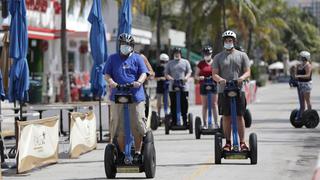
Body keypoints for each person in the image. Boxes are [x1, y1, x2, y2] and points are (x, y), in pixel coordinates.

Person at [104, 33, 148, 163]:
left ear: (132, 46)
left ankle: (138, 153)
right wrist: (111, 81)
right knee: (119, 127)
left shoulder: (137, 58)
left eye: (127, 45)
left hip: (136, 96)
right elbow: (107, 74)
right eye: (123, 44)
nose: (125, 47)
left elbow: (144, 73)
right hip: (117, 96)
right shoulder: (112, 58)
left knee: (137, 124)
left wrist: (139, 82)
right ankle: (122, 153)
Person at [212, 30, 251, 152]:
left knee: (239, 116)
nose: (228, 42)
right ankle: (228, 143)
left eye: (230, 40)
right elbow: (214, 74)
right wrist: (221, 79)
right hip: (224, 90)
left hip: (239, 89)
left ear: (234, 41)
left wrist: (242, 78)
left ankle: (242, 142)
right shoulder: (218, 57)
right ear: (223, 42)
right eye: (226, 40)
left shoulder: (242, 55)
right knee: (226, 116)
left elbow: (248, 71)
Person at [165, 47, 192, 126]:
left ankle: (184, 120)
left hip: (183, 86)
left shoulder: (185, 62)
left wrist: (186, 78)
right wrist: (171, 78)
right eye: (175, 53)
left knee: (184, 104)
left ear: (180, 53)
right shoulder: (170, 63)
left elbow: (189, 71)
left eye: (178, 53)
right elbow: (166, 73)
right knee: (173, 104)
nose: (177, 54)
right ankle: (174, 121)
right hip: (173, 86)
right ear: (173, 54)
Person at [194, 46, 219, 129]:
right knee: (204, 105)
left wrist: (217, 78)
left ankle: (216, 123)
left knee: (214, 104)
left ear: (211, 54)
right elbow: (196, 75)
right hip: (203, 85)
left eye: (208, 54)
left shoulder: (215, 63)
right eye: (205, 54)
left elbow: (219, 73)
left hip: (213, 84)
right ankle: (204, 124)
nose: (207, 55)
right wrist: (199, 77)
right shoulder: (201, 64)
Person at [155, 53, 170, 117]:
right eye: (162, 61)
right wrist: (160, 78)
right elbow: (155, 78)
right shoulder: (158, 68)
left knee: (168, 103)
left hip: (167, 88)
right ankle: (158, 116)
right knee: (159, 103)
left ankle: (167, 115)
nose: (163, 63)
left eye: (165, 62)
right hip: (160, 88)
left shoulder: (169, 69)